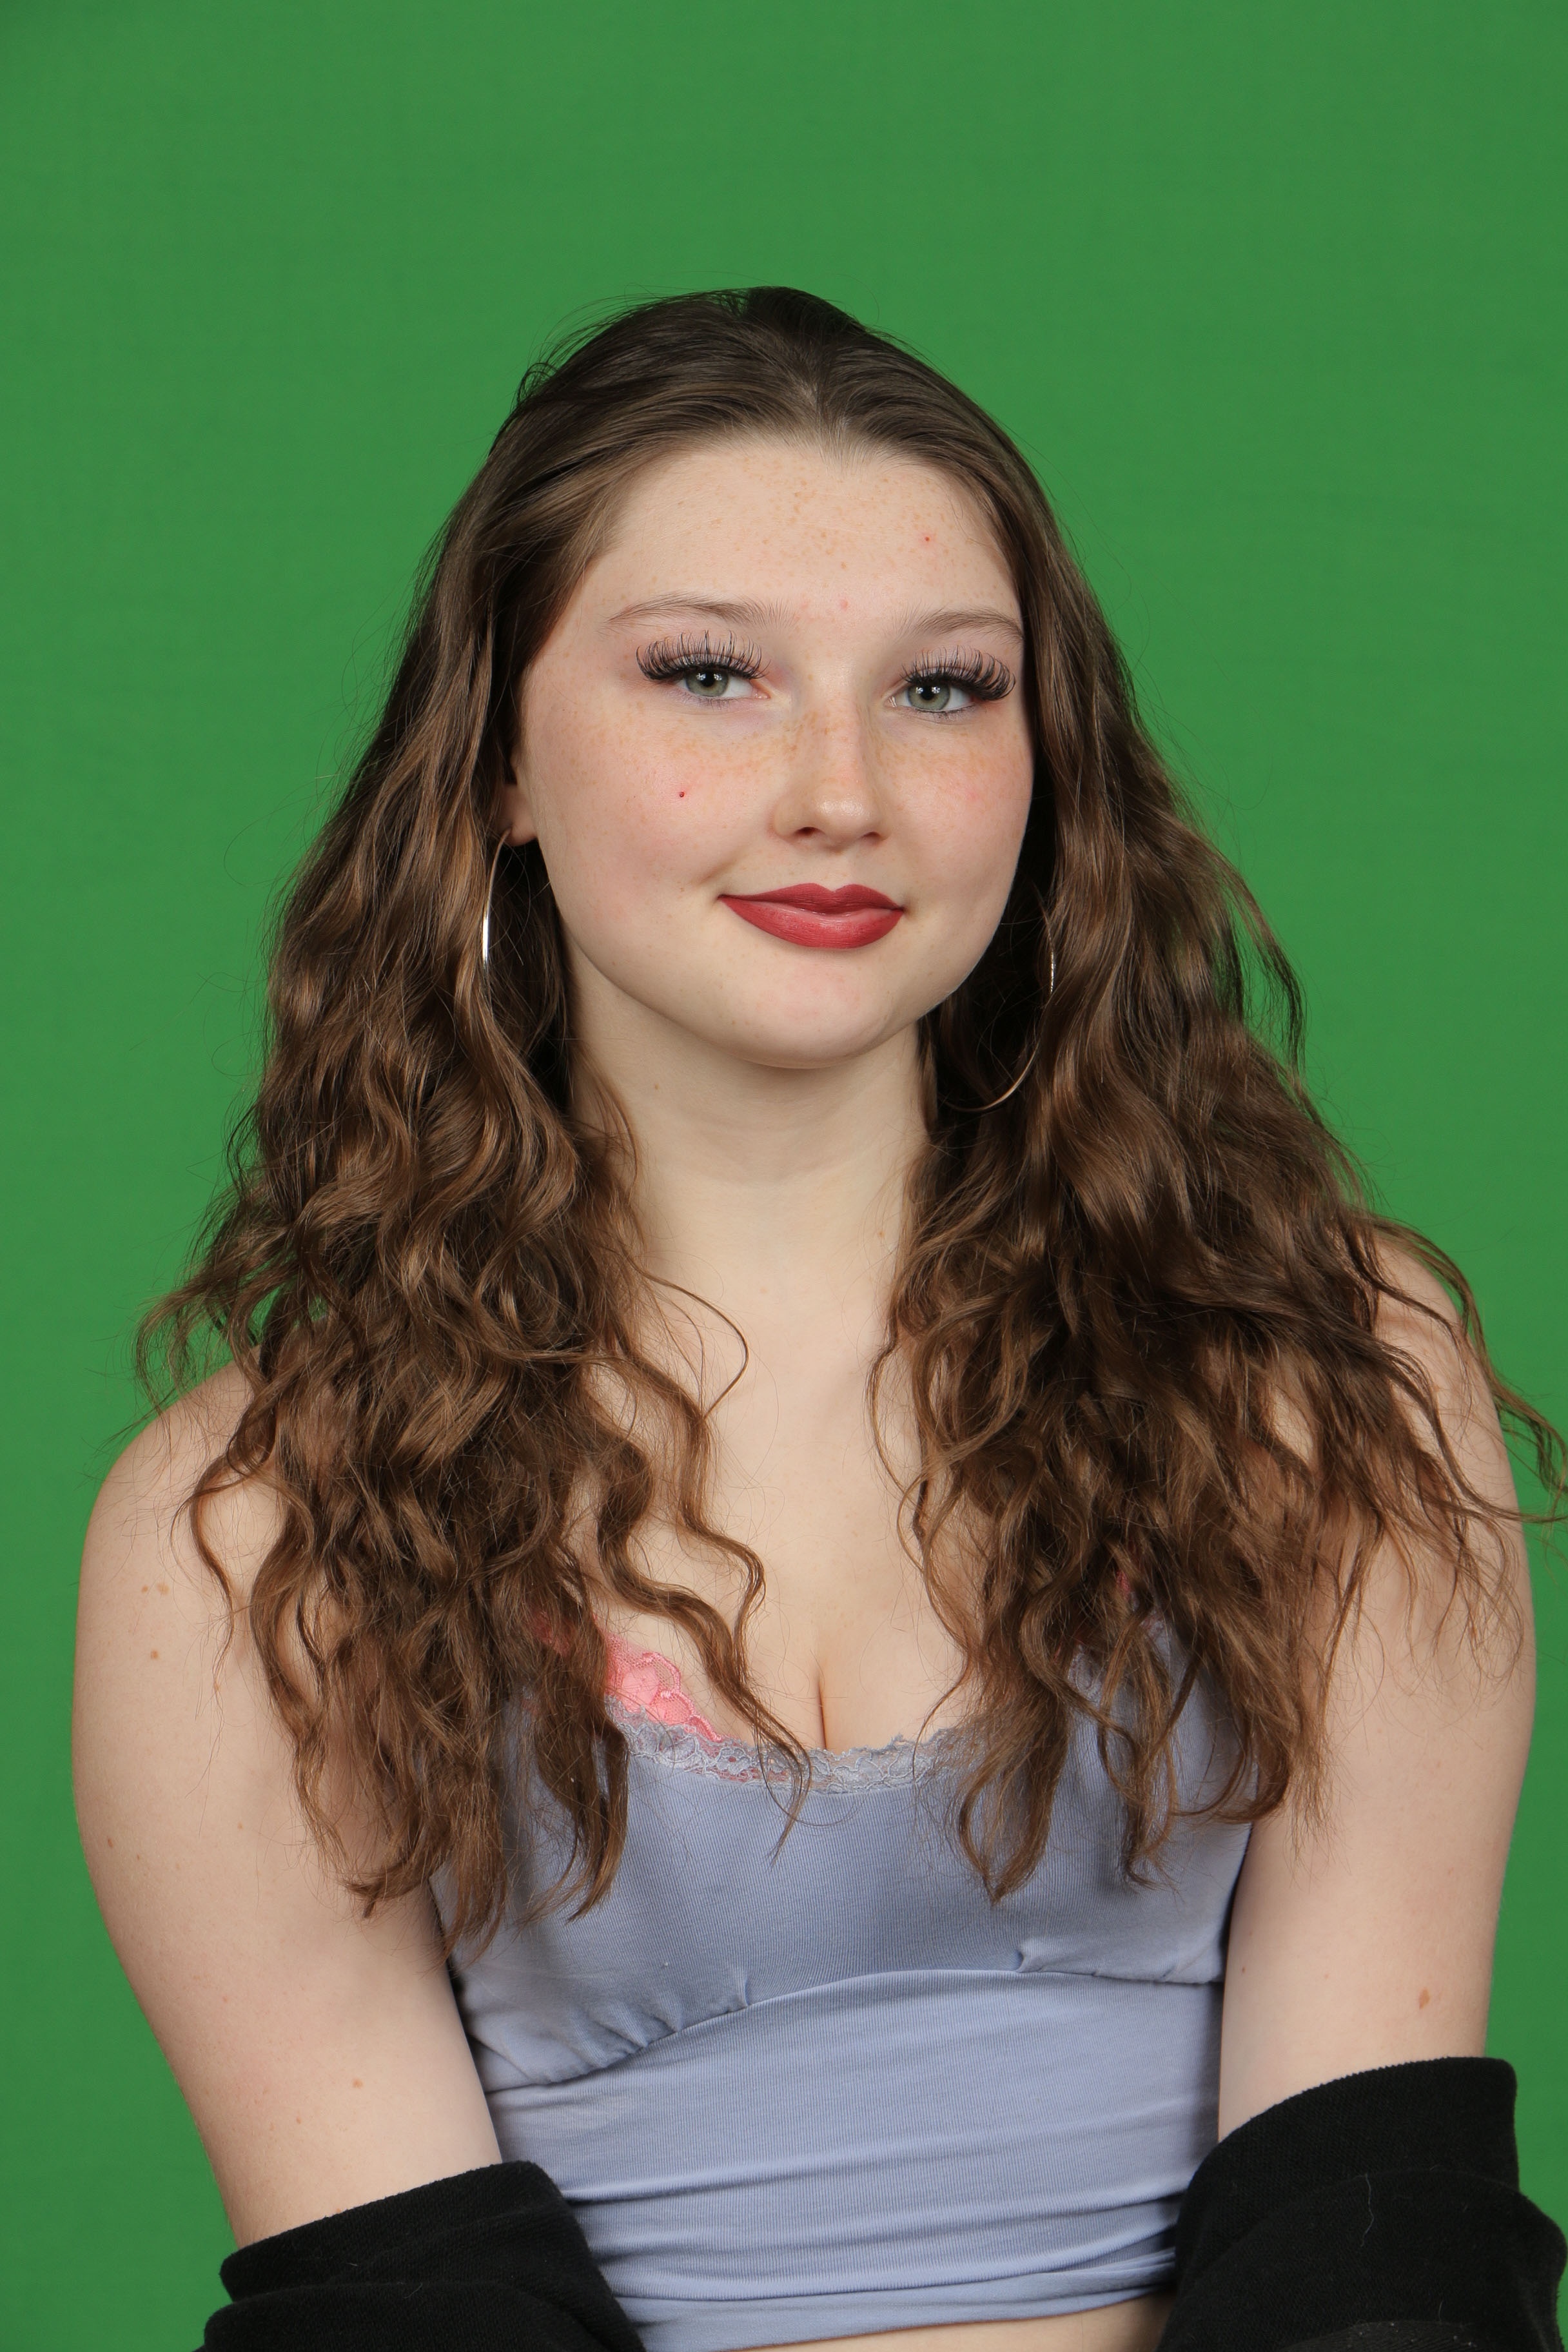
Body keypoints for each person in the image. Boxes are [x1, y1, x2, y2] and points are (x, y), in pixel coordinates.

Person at [74, 289, 1565, 2352]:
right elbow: (413, 2314)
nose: (840, 790)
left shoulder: (1324, 1374)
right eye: (710, 674)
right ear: (495, 761)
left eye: (944, 689)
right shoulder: (249, 1534)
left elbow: (1376, 2249)